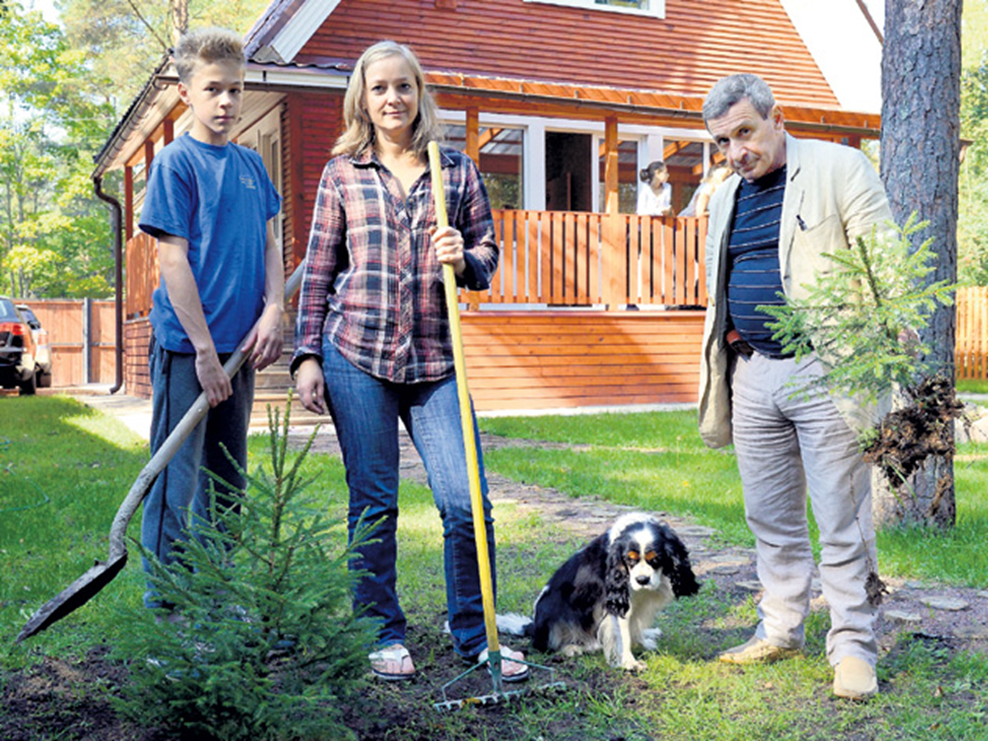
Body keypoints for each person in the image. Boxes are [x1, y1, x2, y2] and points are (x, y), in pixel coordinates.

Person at [292, 40, 528, 683]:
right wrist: (306, 354)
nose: (392, 98)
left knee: (467, 502)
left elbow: (487, 253)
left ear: (419, 92)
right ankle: (379, 631)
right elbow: (319, 269)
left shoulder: (456, 170)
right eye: (379, 89)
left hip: (436, 360)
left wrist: (467, 257)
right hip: (356, 356)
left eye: (403, 86)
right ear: (362, 99)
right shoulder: (342, 172)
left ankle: (476, 636)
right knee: (374, 502)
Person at [696, 73, 893, 701]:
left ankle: (853, 646)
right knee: (770, 516)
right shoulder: (726, 195)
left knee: (841, 517)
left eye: (745, 133)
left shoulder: (840, 167)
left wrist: (893, 343)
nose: (736, 153)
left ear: (777, 120)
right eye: (724, 142)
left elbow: (881, 258)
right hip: (753, 373)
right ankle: (780, 627)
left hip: (824, 367)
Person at [138, 28, 285, 612]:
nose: (226, 102)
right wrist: (201, 350)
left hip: (240, 350)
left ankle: (218, 598)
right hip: (187, 353)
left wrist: (275, 308)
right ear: (186, 93)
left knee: (227, 482)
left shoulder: (251, 166)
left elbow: (271, 243)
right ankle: (167, 609)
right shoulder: (176, 164)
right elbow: (170, 258)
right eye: (213, 89)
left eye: (236, 90)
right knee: (177, 481)